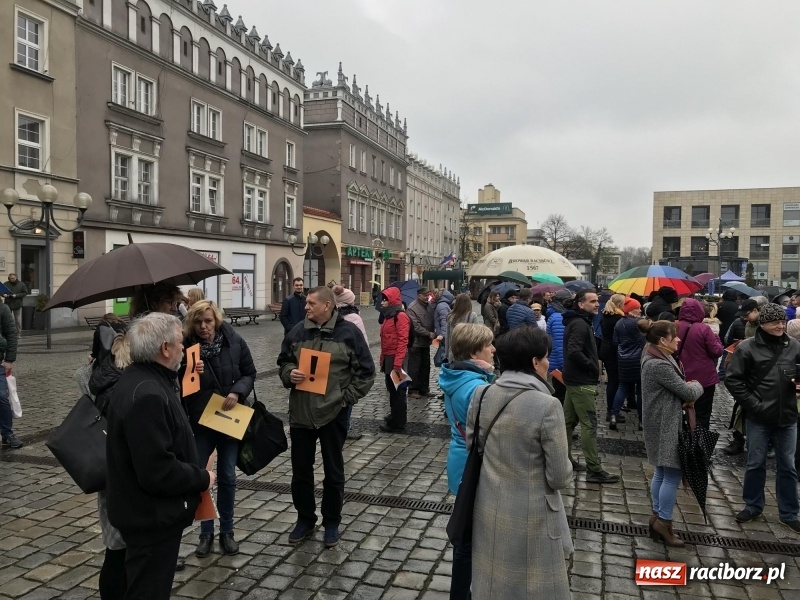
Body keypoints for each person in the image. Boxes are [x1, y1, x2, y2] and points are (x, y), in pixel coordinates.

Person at [106, 312, 215, 600]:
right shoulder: (148, 394)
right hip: (150, 519)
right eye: (180, 341)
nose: (184, 347)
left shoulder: (142, 380)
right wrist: (203, 478)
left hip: (144, 514)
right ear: (165, 349)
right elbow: (158, 471)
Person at [469, 326, 573, 599]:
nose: (549, 363)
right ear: (535, 362)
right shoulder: (547, 406)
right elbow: (560, 476)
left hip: (488, 506)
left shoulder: (481, 394)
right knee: (533, 588)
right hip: (534, 515)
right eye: (547, 357)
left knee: (493, 584)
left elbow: (474, 449)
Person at [277, 286, 376, 547]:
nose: (306, 307)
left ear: (327, 306)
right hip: (301, 413)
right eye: (306, 303)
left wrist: (344, 398)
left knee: (333, 472)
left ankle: (331, 522)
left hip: (333, 413)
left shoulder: (348, 333)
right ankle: (305, 520)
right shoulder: (298, 331)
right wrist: (289, 374)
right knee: (300, 472)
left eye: (311, 303)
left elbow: (366, 372)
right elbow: (283, 361)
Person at [181, 300, 256, 558]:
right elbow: (179, 386)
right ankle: (205, 532)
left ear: (217, 320)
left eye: (208, 321)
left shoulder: (234, 342)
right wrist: (189, 370)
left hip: (228, 419)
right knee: (202, 478)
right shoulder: (187, 347)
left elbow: (250, 372)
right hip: (201, 421)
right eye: (199, 322)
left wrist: (238, 391)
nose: (204, 327)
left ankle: (227, 531)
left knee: (227, 476)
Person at [725, 304, 800, 533]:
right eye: (774, 322)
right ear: (763, 324)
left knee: (788, 466)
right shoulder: (747, 348)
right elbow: (733, 380)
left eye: (781, 322)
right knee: (755, 463)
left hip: (787, 416)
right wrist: (754, 405)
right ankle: (753, 505)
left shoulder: (794, 345)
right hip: (758, 417)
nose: (779, 326)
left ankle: (789, 513)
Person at [438, 323, 495, 600]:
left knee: (467, 533)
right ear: (475, 352)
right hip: (472, 466)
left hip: (460, 460)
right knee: (468, 539)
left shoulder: (459, 377)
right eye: (489, 345)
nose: (494, 349)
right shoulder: (475, 388)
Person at [639, 319, 704, 547]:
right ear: (662, 340)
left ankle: (657, 516)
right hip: (666, 425)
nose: (678, 339)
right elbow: (688, 391)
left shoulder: (652, 354)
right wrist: (697, 385)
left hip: (660, 421)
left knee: (661, 471)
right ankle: (664, 521)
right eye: (673, 336)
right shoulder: (660, 365)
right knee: (672, 474)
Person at [562, 290, 619, 483]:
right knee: (589, 424)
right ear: (580, 304)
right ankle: (594, 469)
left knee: (568, 422)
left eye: (598, 301)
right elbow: (574, 351)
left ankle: (565, 460)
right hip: (581, 381)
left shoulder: (580, 321)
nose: (597, 304)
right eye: (593, 301)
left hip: (574, 379)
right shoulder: (579, 323)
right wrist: (592, 366)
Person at [674, 298, 723, 431]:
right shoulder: (704, 329)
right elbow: (716, 351)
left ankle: (680, 442)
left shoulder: (673, 326)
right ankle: (699, 446)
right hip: (703, 379)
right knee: (702, 414)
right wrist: (716, 337)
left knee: (679, 413)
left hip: (679, 376)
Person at [721, 298, 760, 455]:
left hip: (759, 373)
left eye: (747, 314)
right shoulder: (748, 324)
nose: (744, 317)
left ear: (757, 310)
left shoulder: (765, 326)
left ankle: (762, 443)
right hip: (746, 372)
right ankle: (738, 440)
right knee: (739, 407)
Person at [333, 285, 369, 440]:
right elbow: (362, 341)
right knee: (348, 397)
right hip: (351, 363)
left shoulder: (332, 314)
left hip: (335, 362)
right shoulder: (354, 317)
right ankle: (345, 428)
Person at [378, 286, 411, 433]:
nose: (382, 302)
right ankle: (394, 416)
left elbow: (403, 341)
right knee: (392, 390)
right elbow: (385, 340)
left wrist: (398, 363)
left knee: (399, 392)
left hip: (397, 360)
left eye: (385, 300)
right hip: (388, 358)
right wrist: (382, 359)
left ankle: (399, 422)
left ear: (392, 300)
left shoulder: (400, 316)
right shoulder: (388, 316)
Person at [610, 297, 645, 430]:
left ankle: (614, 415)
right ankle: (642, 421)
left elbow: (615, 341)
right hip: (638, 360)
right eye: (637, 308)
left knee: (622, 387)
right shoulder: (638, 323)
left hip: (623, 359)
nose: (640, 310)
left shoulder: (619, 323)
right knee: (640, 391)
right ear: (632, 310)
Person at [406, 286, 436, 398]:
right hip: (416, 342)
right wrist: (428, 333)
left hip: (425, 342)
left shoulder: (429, 306)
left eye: (428, 294)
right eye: (425, 295)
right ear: (419, 296)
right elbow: (415, 326)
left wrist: (434, 331)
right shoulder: (412, 308)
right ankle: (412, 389)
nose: (427, 297)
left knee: (425, 366)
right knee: (414, 367)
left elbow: (432, 320)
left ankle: (424, 389)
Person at [600, 294, 625, 422]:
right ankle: (612, 411)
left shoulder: (605, 316)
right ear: (620, 305)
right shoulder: (618, 319)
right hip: (614, 351)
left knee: (612, 381)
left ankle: (611, 410)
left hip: (605, 349)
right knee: (615, 381)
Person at [546, 289, 572, 403]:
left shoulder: (555, 314)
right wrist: (564, 365)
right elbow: (559, 344)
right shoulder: (559, 317)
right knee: (561, 397)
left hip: (557, 363)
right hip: (560, 365)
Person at [0, 299, 20, 449]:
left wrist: (9, 359)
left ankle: (7, 433)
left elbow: (12, 334)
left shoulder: (3, 309)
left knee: (1, 398)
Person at [446, 293, 478, 363]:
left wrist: (446, 353)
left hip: (453, 350)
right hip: (468, 350)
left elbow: (448, 336)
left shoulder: (450, 316)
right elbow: (476, 336)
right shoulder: (472, 315)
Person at [434, 289, 455, 362]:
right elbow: (444, 321)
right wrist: (443, 335)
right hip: (444, 336)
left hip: (444, 336)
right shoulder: (443, 305)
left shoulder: (442, 305)